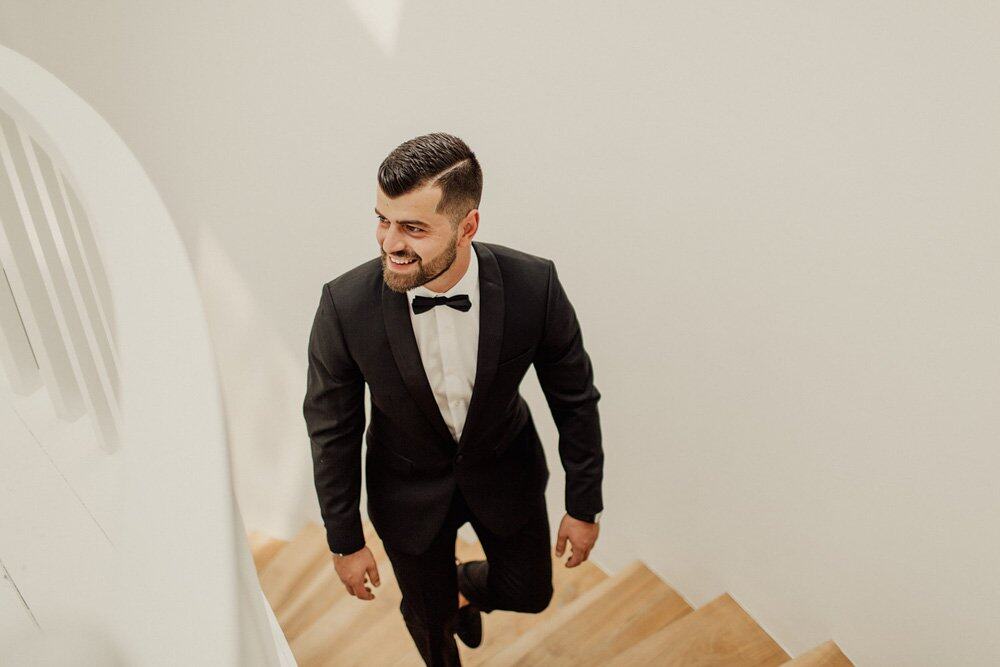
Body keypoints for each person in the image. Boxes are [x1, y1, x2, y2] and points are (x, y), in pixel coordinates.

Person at [303, 132, 604, 666]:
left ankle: (461, 587)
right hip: (405, 490)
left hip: (506, 471)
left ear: (468, 226)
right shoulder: (343, 305)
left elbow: (574, 398)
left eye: (413, 228)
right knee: (430, 620)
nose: (390, 243)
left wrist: (583, 505)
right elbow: (332, 429)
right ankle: (439, 606)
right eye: (383, 220)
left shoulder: (534, 284)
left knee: (532, 593)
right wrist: (345, 540)